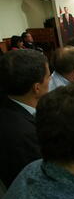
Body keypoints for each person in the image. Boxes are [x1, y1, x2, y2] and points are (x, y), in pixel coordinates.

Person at [0, 50, 50, 188]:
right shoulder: (23, 133)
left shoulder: (10, 104)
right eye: (48, 76)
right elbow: (40, 184)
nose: (51, 80)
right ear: (37, 88)